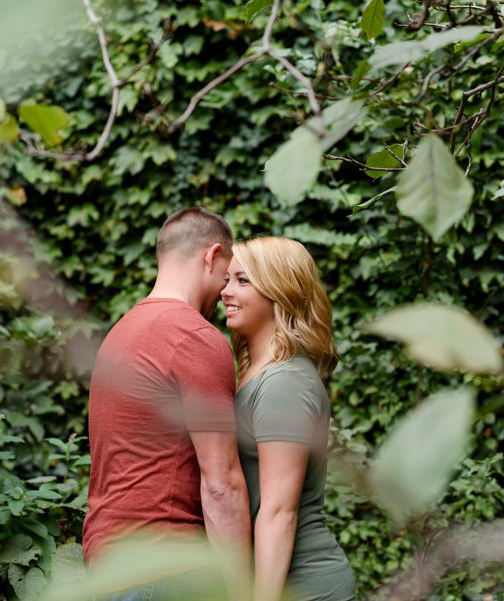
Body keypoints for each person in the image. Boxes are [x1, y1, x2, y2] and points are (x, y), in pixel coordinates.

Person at [83, 207, 251, 600]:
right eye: (226, 277)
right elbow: (221, 484)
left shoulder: (121, 333)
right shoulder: (193, 336)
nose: (225, 292)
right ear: (210, 256)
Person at [220, 236, 356, 601]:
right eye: (227, 279)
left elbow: (280, 510)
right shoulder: (260, 373)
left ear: (279, 291)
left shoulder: (285, 383)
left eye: (242, 280)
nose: (226, 292)